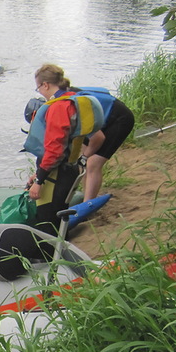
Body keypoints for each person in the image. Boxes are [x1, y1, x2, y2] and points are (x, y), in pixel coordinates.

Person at [21, 64, 104, 247]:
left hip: (56, 175)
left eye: (39, 88)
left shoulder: (58, 107)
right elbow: (98, 137)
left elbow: (54, 150)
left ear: (45, 85)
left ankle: (53, 264)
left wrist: (39, 181)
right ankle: (60, 255)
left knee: (46, 221)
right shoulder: (73, 99)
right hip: (70, 169)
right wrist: (39, 173)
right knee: (59, 217)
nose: (41, 93)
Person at [80, 88, 135, 201]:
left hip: (119, 118)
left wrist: (85, 157)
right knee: (81, 160)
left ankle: (87, 204)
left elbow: (98, 138)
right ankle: (86, 196)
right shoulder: (60, 96)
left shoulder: (72, 108)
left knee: (92, 163)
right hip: (101, 119)